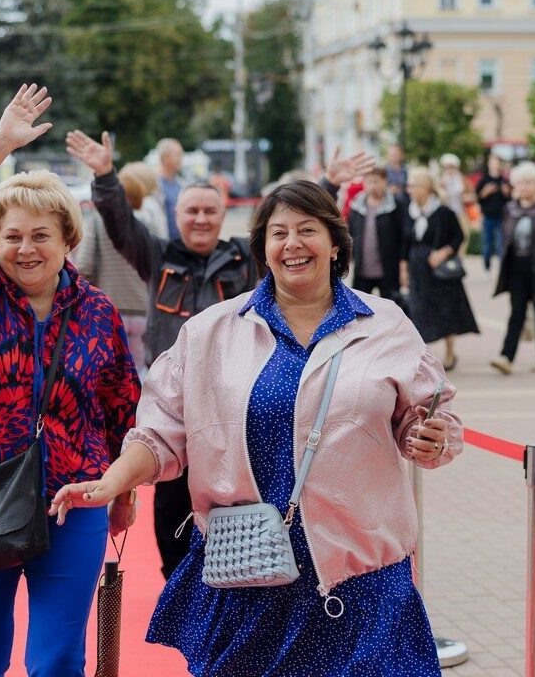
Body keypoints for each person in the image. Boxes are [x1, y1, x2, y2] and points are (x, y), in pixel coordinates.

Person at [51, 178, 462, 677]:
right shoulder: (212, 331)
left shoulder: (385, 324)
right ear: (263, 249)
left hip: (361, 578)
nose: (292, 244)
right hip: (250, 573)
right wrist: (112, 481)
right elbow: (159, 433)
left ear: (335, 244)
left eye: (307, 230)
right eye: (278, 233)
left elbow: (429, 415)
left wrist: (430, 438)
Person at [65, 129, 374, 582]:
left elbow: (292, 238)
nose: (201, 219)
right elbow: (120, 222)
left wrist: (326, 184)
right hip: (179, 404)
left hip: (234, 405)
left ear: (223, 214)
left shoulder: (243, 260)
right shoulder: (158, 256)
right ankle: (180, 583)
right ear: (177, 215)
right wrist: (107, 175)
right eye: (192, 211)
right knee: (171, 511)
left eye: (210, 211)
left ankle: (234, 578)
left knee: (232, 506)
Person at [0, 84, 140, 677]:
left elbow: (120, 407)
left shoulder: (97, 312)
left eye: (41, 235)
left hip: (74, 502)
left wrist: (122, 493)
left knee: (58, 660)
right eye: (12, 236)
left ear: (68, 239)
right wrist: (0, 143)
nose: (26, 249)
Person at [72, 165, 158, 376]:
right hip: (143, 310)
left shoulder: (97, 222)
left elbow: (84, 266)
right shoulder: (149, 224)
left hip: (109, 309)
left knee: (110, 374)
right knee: (139, 373)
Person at [401, 167, 479, 371]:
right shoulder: (409, 211)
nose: (409, 189)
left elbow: (459, 236)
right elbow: (405, 242)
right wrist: (403, 268)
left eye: (413, 185)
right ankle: (421, 357)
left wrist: (444, 252)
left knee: (446, 310)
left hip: (439, 270)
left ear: (426, 188)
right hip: (417, 269)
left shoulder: (444, 212)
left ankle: (450, 352)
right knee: (417, 311)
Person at [490, 160, 535, 375]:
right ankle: (506, 357)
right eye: (521, 182)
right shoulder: (511, 209)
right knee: (516, 313)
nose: (524, 186)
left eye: (529, 182)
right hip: (517, 269)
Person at [348, 166, 406, 300]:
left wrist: (403, 266)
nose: (373, 185)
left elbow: (403, 236)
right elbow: (351, 232)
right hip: (362, 269)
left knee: (391, 305)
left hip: (388, 269)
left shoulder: (395, 205)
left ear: (385, 181)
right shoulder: (357, 205)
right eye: (369, 181)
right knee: (360, 306)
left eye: (376, 181)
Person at [475, 153, 510, 272]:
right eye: (493, 162)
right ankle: (487, 264)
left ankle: (502, 267)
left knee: (501, 243)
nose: (495, 165)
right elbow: (478, 197)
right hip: (488, 216)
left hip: (502, 216)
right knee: (487, 243)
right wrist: (485, 192)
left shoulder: (504, 181)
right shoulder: (483, 180)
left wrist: (506, 193)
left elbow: (509, 199)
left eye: (497, 162)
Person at [156, 137, 185, 239]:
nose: (181, 158)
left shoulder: (182, 185)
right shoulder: (154, 185)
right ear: (165, 158)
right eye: (177, 154)